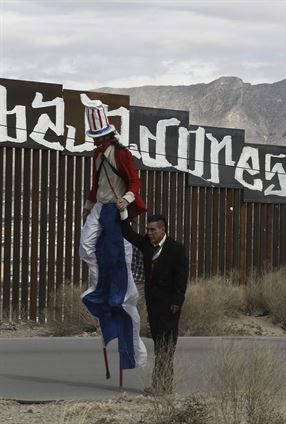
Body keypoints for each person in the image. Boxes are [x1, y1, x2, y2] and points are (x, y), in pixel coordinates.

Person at [79, 95, 147, 372]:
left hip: (116, 208)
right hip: (100, 207)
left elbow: (135, 181)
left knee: (120, 257)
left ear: (108, 135)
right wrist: (87, 206)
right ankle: (97, 285)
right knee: (85, 247)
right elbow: (96, 185)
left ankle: (113, 292)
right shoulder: (97, 155)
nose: (98, 141)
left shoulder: (122, 154)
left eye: (100, 137)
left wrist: (127, 199)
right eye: (96, 138)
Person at [119, 214, 188, 395]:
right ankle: (162, 387)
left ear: (162, 230)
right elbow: (127, 233)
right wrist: (124, 212)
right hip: (154, 306)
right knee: (160, 346)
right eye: (147, 230)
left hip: (169, 307)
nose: (149, 233)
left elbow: (181, 279)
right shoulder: (147, 245)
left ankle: (162, 387)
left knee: (166, 346)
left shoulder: (176, 249)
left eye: (153, 230)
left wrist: (176, 301)